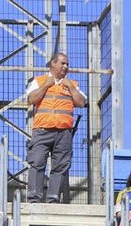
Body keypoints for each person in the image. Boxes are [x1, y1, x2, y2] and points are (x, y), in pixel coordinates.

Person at [25, 53, 86, 204]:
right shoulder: (39, 81)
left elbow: (81, 102)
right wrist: (47, 85)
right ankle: (34, 198)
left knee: (60, 166)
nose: (65, 67)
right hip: (42, 130)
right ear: (53, 64)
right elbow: (31, 99)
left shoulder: (72, 84)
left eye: (67, 64)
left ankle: (53, 199)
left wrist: (70, 87)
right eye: (62, 63)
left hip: (64, 132)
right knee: (37, 163)